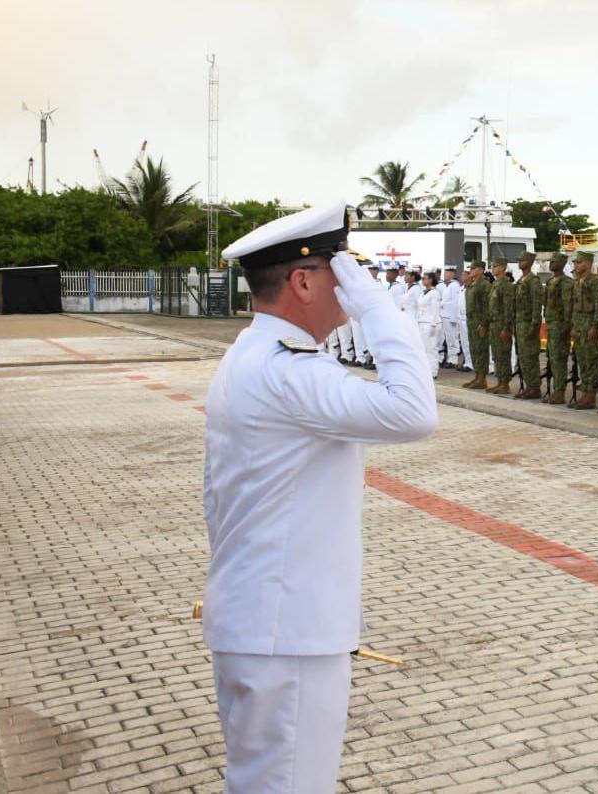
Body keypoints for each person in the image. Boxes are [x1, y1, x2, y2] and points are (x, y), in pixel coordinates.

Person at [205, 202, 437, 792]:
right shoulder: (290, 370)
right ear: (304, 281)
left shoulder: (256, 353)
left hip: (267, 621)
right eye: (344, 272)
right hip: (288, 634)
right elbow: (413, 411)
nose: (352, 287)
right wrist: (379, 308)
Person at [568, 251, 598, 410]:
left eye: (580, 262)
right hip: (579, 327)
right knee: (582, 360)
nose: (576, 265)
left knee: (591, 361)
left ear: (588, 264)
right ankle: (585, 393)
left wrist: (595, 326)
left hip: (589, 326)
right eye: (576, 262)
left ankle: (590, 396)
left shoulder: (595, 283)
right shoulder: (577, 282)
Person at [542, 252, 574, 404]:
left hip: (560, 325)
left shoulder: (566, 283)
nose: (551, 263)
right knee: (552, 358)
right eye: (551, 261)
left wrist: (566, 327)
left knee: (559, 359)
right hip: (551, 325)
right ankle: (556, 388)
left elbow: (568, 307)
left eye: (554, 261)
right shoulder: (550, 282)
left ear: (561, 264)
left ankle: (560, 391)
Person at [513, 251, 545, 400]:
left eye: (523, 260)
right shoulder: (521, 280)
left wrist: (534, 325)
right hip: (519, 324)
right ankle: (529, 385)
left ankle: (534, 386)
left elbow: (536, 305)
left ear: (530, 262)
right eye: (519, 260)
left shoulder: (533, 281)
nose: (520, 262)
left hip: (528, 324)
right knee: (523, 357)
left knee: (530, 356)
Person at [486, 257, 516, 394]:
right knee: (497, 355)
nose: (493, 268)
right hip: (494, 324)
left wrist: (506, 328)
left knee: (503, 354)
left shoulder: (506, 285)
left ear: (503, 268)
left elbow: (508, 309)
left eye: (496, 266)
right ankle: (500, 382)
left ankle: (505, 383)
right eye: (493, 266)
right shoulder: (495, 284)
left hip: (501, 325)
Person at [462, 261, 492, 389]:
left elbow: (487, 306)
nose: (471, 271)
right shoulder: (472, 284)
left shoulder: (484, 285)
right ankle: (477, 376)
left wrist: (484, 324)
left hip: (480, 322)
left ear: (481, 270)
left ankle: (482, 378)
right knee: (474, 350)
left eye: (473, 269)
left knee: (481, 350)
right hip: (471, 321)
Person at [416, 271, 444, 379]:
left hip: (430, 324)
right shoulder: (424, 292)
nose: (423, 280)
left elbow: (435, 309)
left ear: (431, 280)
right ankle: (426, 370)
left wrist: (433, 324)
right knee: (423, 348)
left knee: (431, 348)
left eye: (425, 278)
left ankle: (433, 371)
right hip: (422, 322)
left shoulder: (434, 293)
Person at [437, 266, 464, 369]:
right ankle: (449, 358)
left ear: (452, 274)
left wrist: (454, 318)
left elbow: (456, 303)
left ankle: (453, 360)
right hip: (445, 315)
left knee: (453, 338)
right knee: (448, 339)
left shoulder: (455, 286)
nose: (445, 275)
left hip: (450, 316)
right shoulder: (447, 286)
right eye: (445, 273)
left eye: (447, 273)